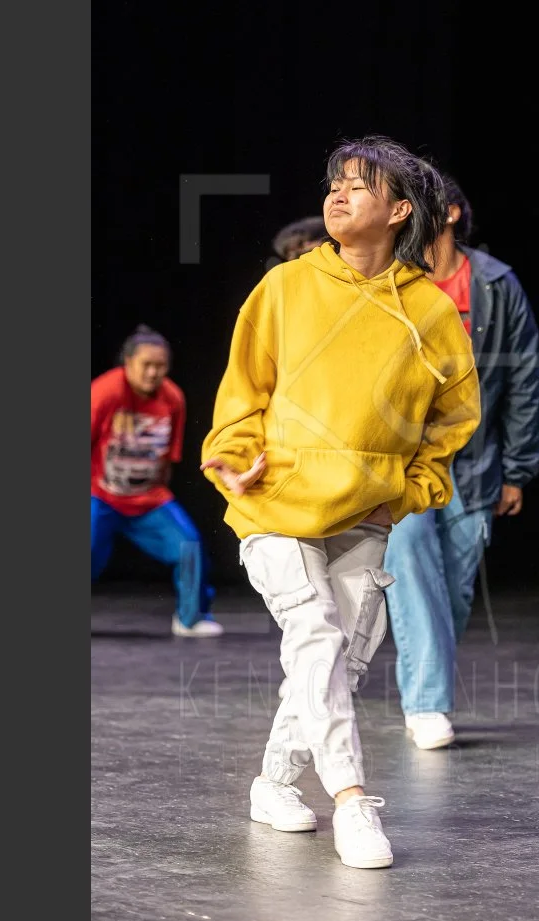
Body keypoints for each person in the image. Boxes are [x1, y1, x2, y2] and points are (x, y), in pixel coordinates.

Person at [200, 135, 480, 869]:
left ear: (400, 210)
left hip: (366, 513)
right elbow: (242, 392)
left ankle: (273, 784)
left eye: (358, 184)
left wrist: (409, 492)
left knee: (341, 662)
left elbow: (454, 421)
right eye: (334, 183)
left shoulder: (429, 312)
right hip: (275, 504)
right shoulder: (285, 288)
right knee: (318, 638)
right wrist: (233, 460)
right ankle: (352, 799)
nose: (337, 194)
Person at [384, 174, 539, 750]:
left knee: (453, 590)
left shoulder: (496, 284)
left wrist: (519, 468)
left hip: (474, 459)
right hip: (404, 456)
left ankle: (426, 689)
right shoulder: (392, 279)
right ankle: (426, 702)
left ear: (451, 212)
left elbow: (523, 380)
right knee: (410, 565)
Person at [91, 325, 223, 637]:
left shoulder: (173, 398)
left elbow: (168, 455)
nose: (153, 373)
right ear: (128, 363)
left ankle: (190, 619)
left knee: (188, 545)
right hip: (100, 494)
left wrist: (158, 494)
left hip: (149, 499)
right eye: (146, 365)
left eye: (160, 366)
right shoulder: (105, 391)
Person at [263, 215, 330, 272]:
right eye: (300, 244)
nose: (306, 245)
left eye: (301, 244)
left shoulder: (315, 226)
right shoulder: (285, 247)